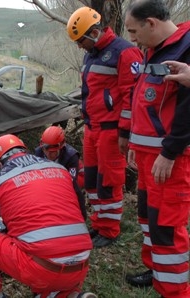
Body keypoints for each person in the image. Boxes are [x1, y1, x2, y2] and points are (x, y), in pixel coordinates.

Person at [0, 134, 94, 298]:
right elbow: (81, 214)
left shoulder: (0, 180)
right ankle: (71, 294)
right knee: (52, 272)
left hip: (42, 269)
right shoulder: (60, 169)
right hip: (81, 266)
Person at [123, 1, 190, 295]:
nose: (133, 39)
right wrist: (136, 141)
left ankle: (174, 290)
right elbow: (145, 98)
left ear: (151, 23)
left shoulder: (186, 47)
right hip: (150, 155)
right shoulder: (155, 49)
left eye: (134, 31)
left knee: (166, 227)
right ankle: (157, 271)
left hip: (170, 160)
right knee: (148, 218)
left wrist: (169, 152)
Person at [66, 7, 144, 248]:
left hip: (111, 131)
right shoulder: (91, 53)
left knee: (108, 181)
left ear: (95, 32)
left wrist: (124, 132)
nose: (80, 47)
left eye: (81, 41)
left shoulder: (125, 52)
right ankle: (99, 223)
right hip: (93, 127)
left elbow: (131, 96)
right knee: (91, 180)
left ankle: (110, 230)